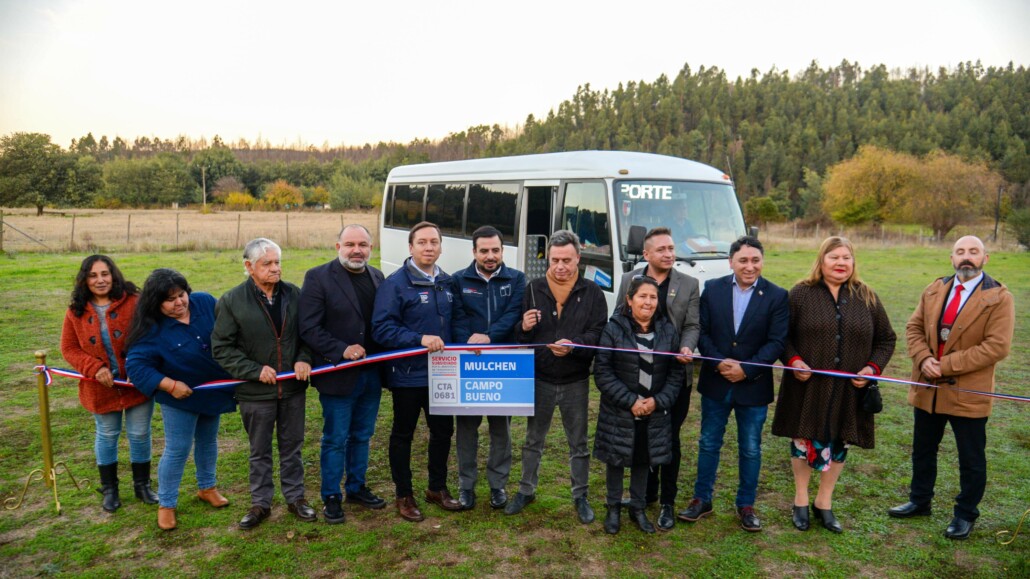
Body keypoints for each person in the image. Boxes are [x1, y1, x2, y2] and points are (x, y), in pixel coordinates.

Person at [889, 235, 1014, 540]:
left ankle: (965, 514)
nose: (966, 257)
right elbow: (913, 328)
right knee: (923, 450)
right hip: (928, 388)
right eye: (960, 252)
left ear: (985, 258)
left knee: (970, 457)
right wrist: (923, 358)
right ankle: (920, 501)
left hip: (968, 391)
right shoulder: (934, 289)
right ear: (951, 258)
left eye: (973, 252)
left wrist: (944, 366)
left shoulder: (999, 297)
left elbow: (997, 347)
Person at [771, 237, 896, 533]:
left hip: (849, 389)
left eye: (846, 258)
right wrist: (794, 360)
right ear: (821, 261)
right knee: (803, 440)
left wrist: (872, 368)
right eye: (834, 257)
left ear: (853, 262)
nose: (841, 263)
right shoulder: (801, 294)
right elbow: (782, 336)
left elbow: (886, 339)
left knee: (840, 439)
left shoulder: (866, 296)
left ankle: (823, 503)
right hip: (807, 385)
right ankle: (800, 500)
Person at [678, 235, 788, 532]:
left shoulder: (777, 296)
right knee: (708, 442)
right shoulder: (712, 289)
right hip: (717, 381)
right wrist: (719, 362)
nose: (749, 266)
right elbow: (702, 331)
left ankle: (746, 504)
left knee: (750, 448)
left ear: (762, 261)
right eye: (743, 260)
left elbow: (777, 342)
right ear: (731, 262)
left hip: (753, 386)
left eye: (755, 260)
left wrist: (747, 369)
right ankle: (702, 499)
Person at [506, 230, 607, 524]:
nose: (560, 266)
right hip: (541, 377)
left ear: (579, 258)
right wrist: (523, 327)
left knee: (578, 443)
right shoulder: (533, 288)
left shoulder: (592, 293)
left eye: (566, 260)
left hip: (575, 379)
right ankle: (526, 490)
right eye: (554, 260)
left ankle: (580, 495)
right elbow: (520, 336)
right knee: (533, 439)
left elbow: (599, 333)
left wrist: (575, 345)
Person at [212, 238, 314, 529]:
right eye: (267, 264)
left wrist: (304, 358)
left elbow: (308, 335)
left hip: (292, 389)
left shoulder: (295, 294)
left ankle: (296, 498)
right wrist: (254, 370)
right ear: (249, 267)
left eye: (277, 262)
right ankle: (261, 503)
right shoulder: (232, 301)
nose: (274, 269)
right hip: (255, 393)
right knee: (259, 451)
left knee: (292, 446)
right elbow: (222, 348)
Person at [126, 269, 236, 531]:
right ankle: (166, 504)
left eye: (181, 294)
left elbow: (231, 332)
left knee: (208, 440)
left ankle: (207, 487)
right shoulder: (150, 329)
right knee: (177, 449)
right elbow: (137, 366)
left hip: (212, 392)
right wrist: (170, 385)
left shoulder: (206, 302)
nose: (179, 302)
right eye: (170, 299)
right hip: (180, 399)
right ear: (156, 303)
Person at [372, 221, 465, 522]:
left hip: (442, 374)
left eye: (434, 242)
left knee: (442, 431)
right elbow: (382, 328)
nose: (429, 247)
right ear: (411, 247)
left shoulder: (448, 282)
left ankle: (436, 488)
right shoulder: (395, 283)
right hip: (408, 374)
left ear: (440, 246)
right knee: (403, 434)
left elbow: (456, 324)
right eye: (422, 242)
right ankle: (404, 494)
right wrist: (419, 340)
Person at [299, 224, 387, 524]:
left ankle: (357, 487)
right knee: (335, 438)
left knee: (362, 435)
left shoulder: (377, 277)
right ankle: (331, 496)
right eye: (349, 244)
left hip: (371, 373)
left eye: (362, 244)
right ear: (338, 247)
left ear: (371, 248)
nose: (356, 250)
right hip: (338, 374)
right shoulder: (318, 277)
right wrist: (341, 349)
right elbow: (309, 327)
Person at [616, 227, 699, 530]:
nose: (668, 254)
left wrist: (687, 345)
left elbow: (692, 324)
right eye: (661, 249)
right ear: (647, 254)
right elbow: (618, 318)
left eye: (671, 248)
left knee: (669, 439)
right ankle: (645, 494)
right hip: (636, 374)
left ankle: (667, 501)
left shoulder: (689, 283)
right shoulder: (629, 279)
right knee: (641, 435)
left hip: (674, 374)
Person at [60, 255, 155, 512]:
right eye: (93, 275)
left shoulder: (134, 302)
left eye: (105, 274)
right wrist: (95, 368)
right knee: (107, 434)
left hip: (137, 383)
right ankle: (110, 489)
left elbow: (148, 336)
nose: (100, 280)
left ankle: (142, 485)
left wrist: (140, 366)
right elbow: (68, 348)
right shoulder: (75, 311)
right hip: (100, 387)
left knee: (139, 433)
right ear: (84, 280)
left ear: (113, 275)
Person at [594, 276, 685, 534]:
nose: (648, 302)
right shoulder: (613, 329)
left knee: (643, 459)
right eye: (642, 296)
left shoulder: (668, 330)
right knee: (616, 457)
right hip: (620, 410)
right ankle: (613, 507)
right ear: (629, 299)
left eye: (653, 297)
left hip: (653, 410)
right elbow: (602, 371)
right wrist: (630, 401)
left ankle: (637, 507)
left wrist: (657, 401)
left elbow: (675, 374)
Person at [449, 226, 527, 510]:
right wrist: (467, 341)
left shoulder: (517, 279)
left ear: (502, 251)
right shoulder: (458, 280)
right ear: (474, 252)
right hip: (468, 361)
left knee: (501, 430)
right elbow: (456, 317)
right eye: (484, 251)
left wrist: (490, 336)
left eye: (495, 250)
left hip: (503, 364)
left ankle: (498, 485)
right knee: (467, 429)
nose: (490, 256)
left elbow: (513, 314)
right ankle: (466, 485)